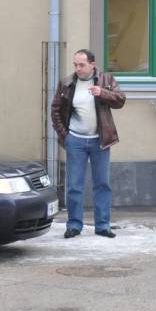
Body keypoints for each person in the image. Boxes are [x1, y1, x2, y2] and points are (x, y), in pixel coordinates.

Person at [51, 49, 126, 239]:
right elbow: (56, 110)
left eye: (82, 65)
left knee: (102, 184)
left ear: (92, 64)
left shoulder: (106, 80)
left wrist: (103, 93)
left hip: (100, 140)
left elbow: (120, 100)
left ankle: (102, 226)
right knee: (74, 185)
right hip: (75, 140)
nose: (78, 69)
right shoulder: (67, 83)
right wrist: (65, 135)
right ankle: (74, 225)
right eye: (75, 64)